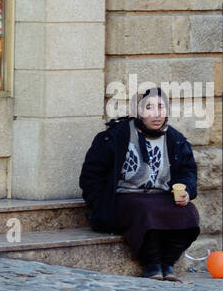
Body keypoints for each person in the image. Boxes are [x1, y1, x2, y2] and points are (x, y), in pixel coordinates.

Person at [79, 86, 200, 280]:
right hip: (125, 196)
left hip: (162, 196)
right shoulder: (115, 137)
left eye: (161, 107)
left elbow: (188, 172)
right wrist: (99, 204)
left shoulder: (175, 140)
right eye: (149, 107)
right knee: (145, 210)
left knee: (190, 214)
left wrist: (186, 190)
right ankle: (151, 264)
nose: (156, 114)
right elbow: (91, 176)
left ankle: (168, 263)